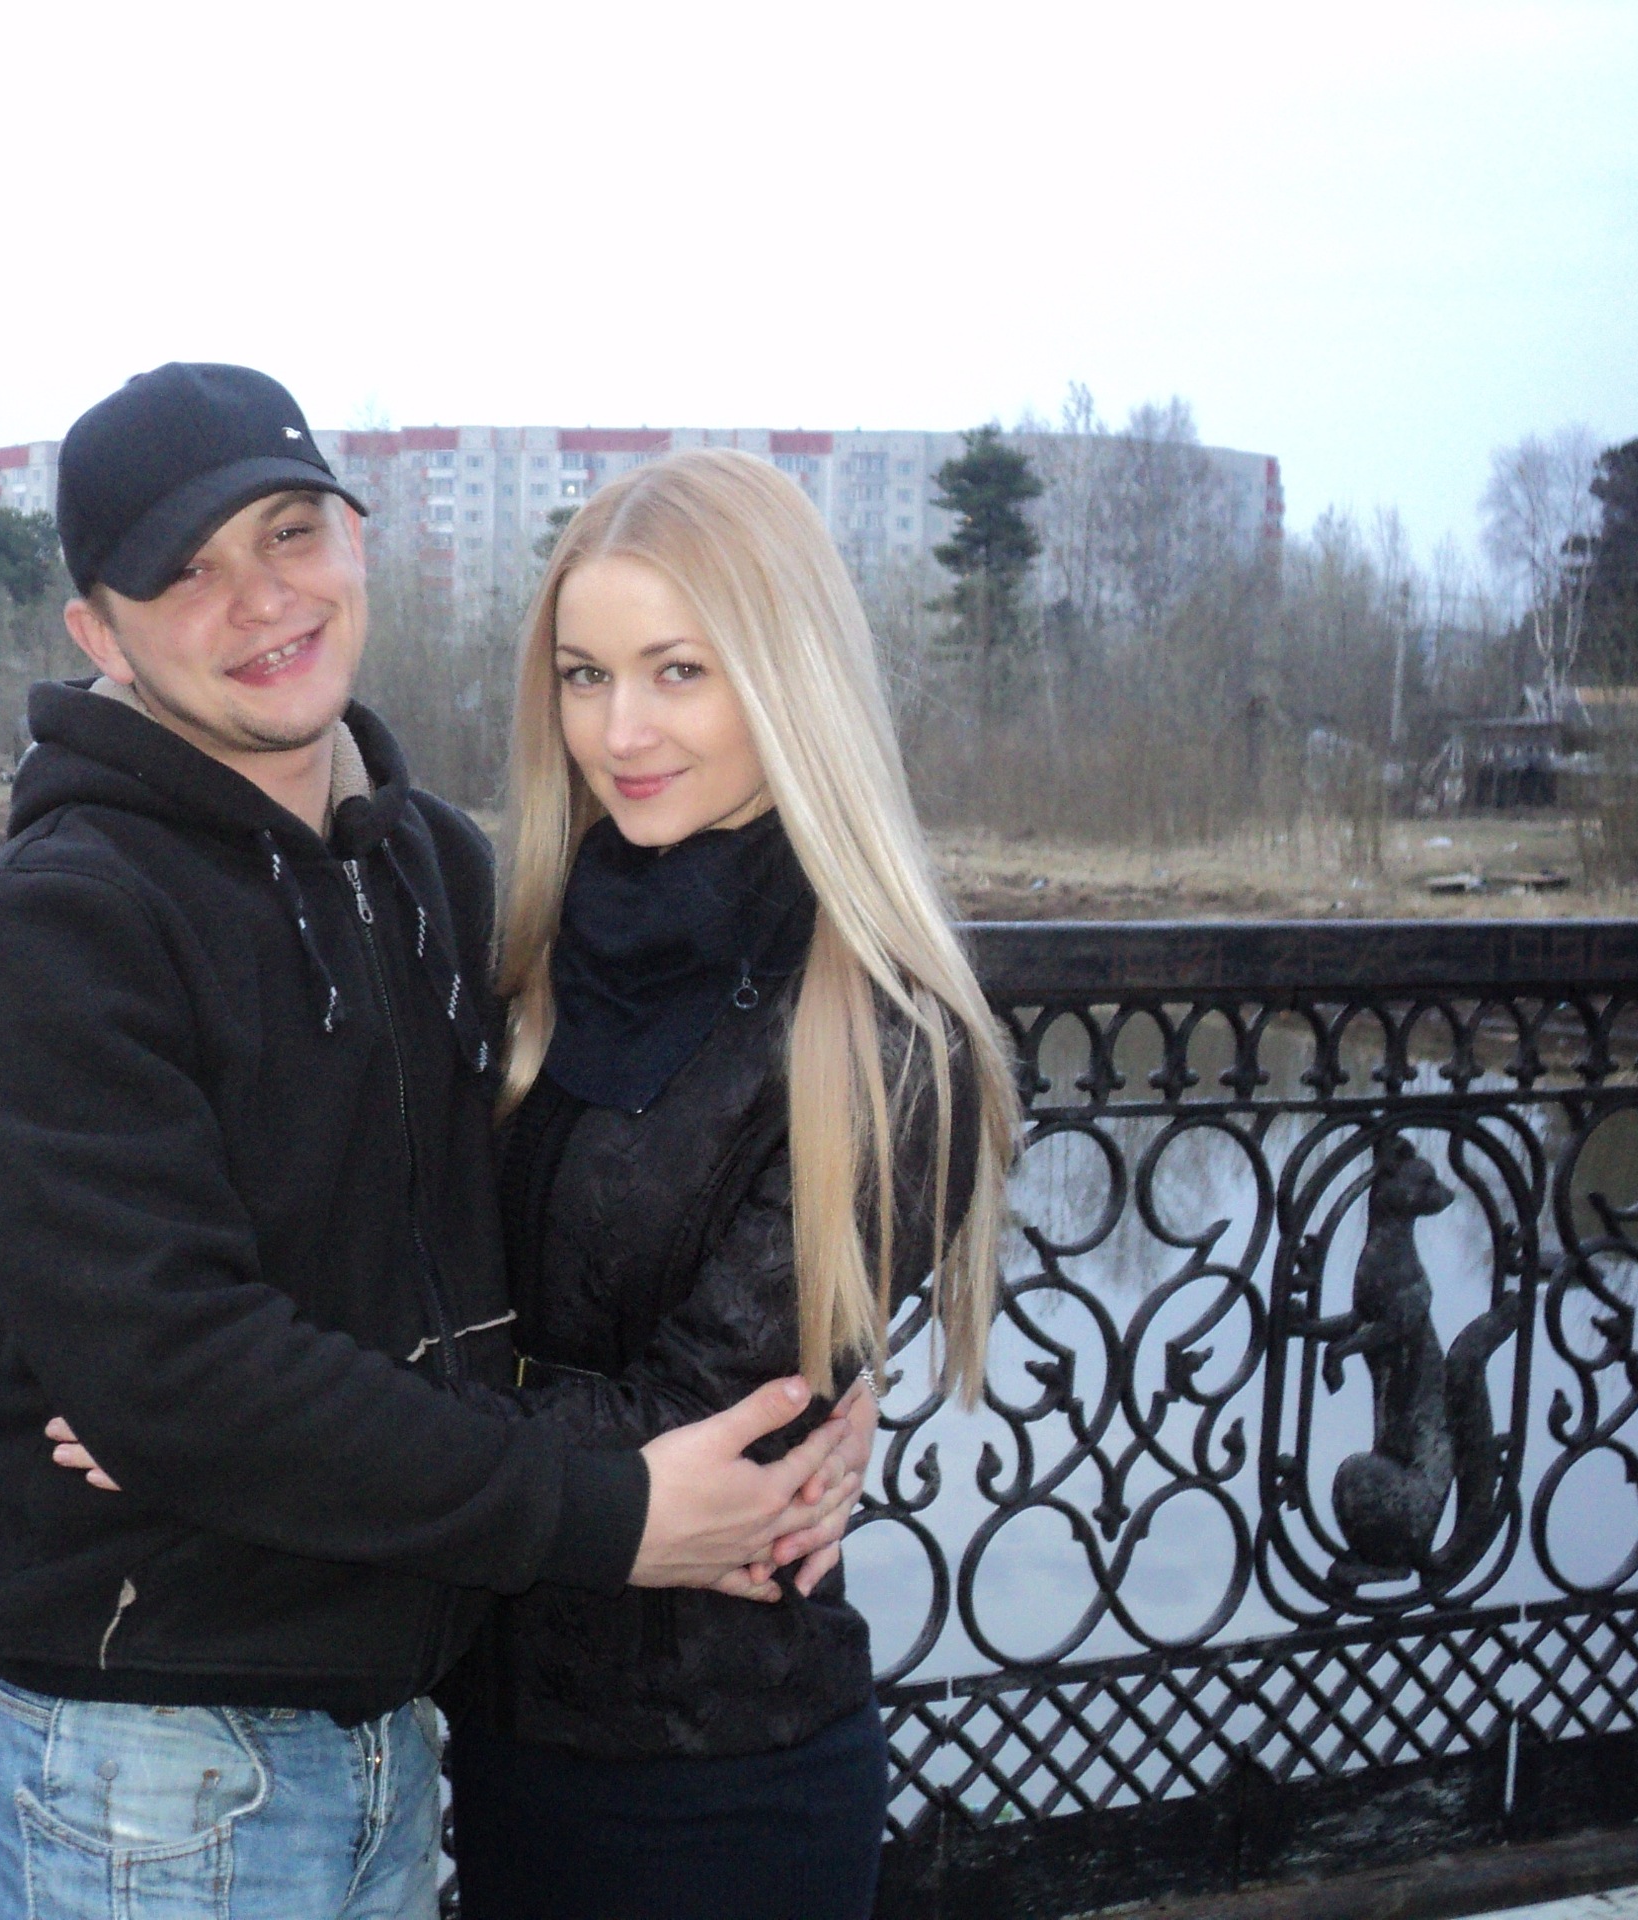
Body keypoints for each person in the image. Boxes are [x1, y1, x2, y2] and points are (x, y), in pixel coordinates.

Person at [0, 365, 875, 1920]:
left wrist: (824, 1376)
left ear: (358, 544)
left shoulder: (432, 869)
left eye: (290, 534)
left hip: (405, 1741)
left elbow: (501, 1257)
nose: (261, 599)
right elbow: (183, 1367)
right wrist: (605, 1509)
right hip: (147, 1765)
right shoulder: (63, 923)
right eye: (186, 572)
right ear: (99, 633)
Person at [434, 448, 1018, 1920]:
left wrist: (290, 1429)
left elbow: (692, 1440)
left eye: (679, 671)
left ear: (789, 676)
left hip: (717, 1783)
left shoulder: (882, 1034)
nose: (618, 729)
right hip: (485, 1738)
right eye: (584, 675)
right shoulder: (530, 955)